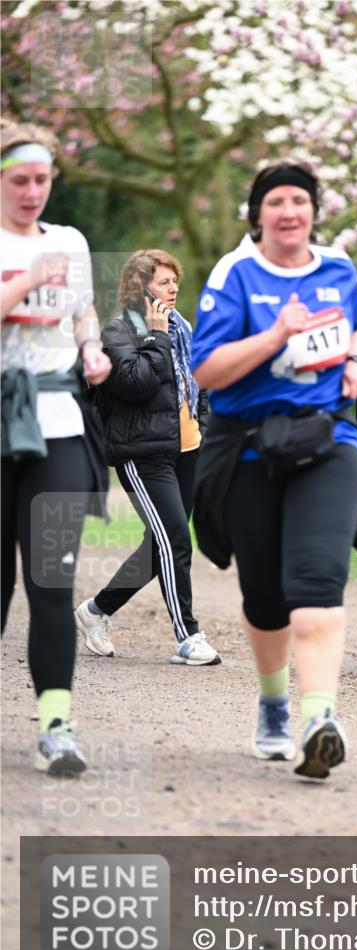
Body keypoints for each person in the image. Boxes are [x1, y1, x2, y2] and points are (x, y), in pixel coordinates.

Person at [191, 162, 357, 779]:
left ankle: (320, 718)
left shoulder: (338, 268)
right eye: (277, 202)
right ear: (258, 214)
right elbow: (207, 371)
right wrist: (274, 335)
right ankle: (274, 704)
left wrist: (355, 363)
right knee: (265, 598)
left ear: (314, 210)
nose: (290, 211)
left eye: (300, 200)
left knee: (319, 583)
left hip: (328, 440)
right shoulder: (234, 273)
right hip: (248, 448)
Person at [1, 118, 111, 775]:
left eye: (43, 179)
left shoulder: (69, 240)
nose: (33, 191)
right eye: (20, 180)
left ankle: (56, 725)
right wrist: (24, 278)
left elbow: (82, 310)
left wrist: (92, 347)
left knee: (51, 579)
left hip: (57, 425)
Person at [74, 249, 221, 667]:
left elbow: (201, 380)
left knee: (160, 548)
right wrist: (155, 336)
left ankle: (96, 610)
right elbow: (135, 383)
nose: (173, 288)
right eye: (163, 282)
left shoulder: (185, 328)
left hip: (187, 449)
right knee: (175, 539)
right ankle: (188, 636)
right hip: (141, 454)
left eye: (175, 280)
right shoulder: (118, 332)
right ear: (140, 288)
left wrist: (202, 425)